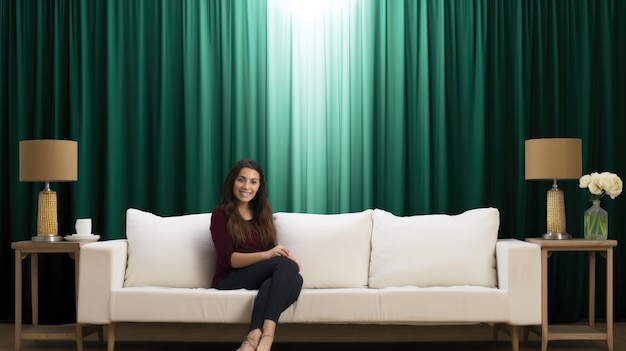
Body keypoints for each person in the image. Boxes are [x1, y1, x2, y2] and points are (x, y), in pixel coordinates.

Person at [210, 159, 303, 351]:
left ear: (259, 186)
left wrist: (283, 257)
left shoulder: (263, 212)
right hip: (229, 278)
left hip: (258, 275)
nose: (247, 186)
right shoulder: (221, 213)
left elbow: (270, 248)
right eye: (241, 180)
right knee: (288, 270)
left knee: (295, 279)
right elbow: (229, 259)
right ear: (232, 183)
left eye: (253, 182)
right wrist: (268, 256)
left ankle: (253, 338)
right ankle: (268, 337)